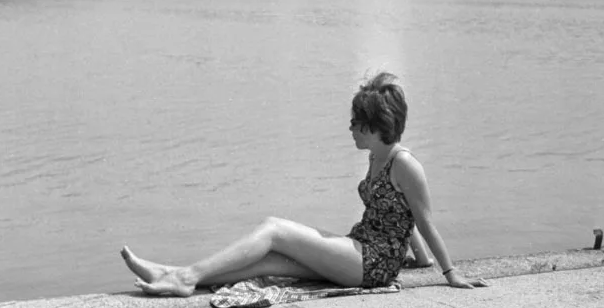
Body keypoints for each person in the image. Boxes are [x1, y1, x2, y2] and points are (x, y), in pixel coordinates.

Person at [121, 72, 487, 295]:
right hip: (361, 250)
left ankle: (186, 277)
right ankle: (172, 273)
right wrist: (419, 259)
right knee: (270, 261)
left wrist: (450, 274)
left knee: (273, 228)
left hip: (371, 264)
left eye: (356, 122)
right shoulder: (377, 157)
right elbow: (397, 216)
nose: (350, 128)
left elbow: (423, 221)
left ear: (376, 126)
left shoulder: (404, 163)